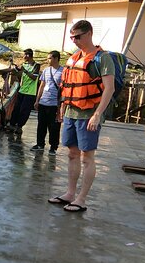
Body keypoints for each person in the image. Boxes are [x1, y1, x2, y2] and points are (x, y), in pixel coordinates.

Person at [48, 20, 115, 212]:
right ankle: (70, 193)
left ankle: (82, 198)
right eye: (72, 37)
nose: (74, 40)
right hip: (71, 112)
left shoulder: (102, 59)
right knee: (71, 154)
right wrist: (62, 107)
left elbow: (109, 89)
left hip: (88, 114)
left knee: (87, 157)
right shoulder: (74, 58)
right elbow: (67, 85)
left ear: (89, 34)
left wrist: (97, 114)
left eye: (77, 36)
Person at [31, 50, 64, 155]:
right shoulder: (46, 70)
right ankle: (40, 144)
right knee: (41, 125)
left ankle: (53, 147)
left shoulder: (63, 71)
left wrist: (61, 106)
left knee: (54, 127)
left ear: (55, 58)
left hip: (54, 104)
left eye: (49, 58)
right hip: (43, 102)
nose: (47, 60)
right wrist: (37, 100)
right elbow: (42, 85)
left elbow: (65, 89)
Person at [7, 49, 40, 135]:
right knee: (16, 109)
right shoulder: (24, 64)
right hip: (22, 90)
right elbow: (20, 75)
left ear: (28, 56)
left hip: (30, 93)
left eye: (25, 55)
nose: (23, 57)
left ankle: (19, 127)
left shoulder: (36, 65)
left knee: (24, 111)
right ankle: (12, 124)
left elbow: (34, 77)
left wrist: (24, 70)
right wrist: (15, 71)